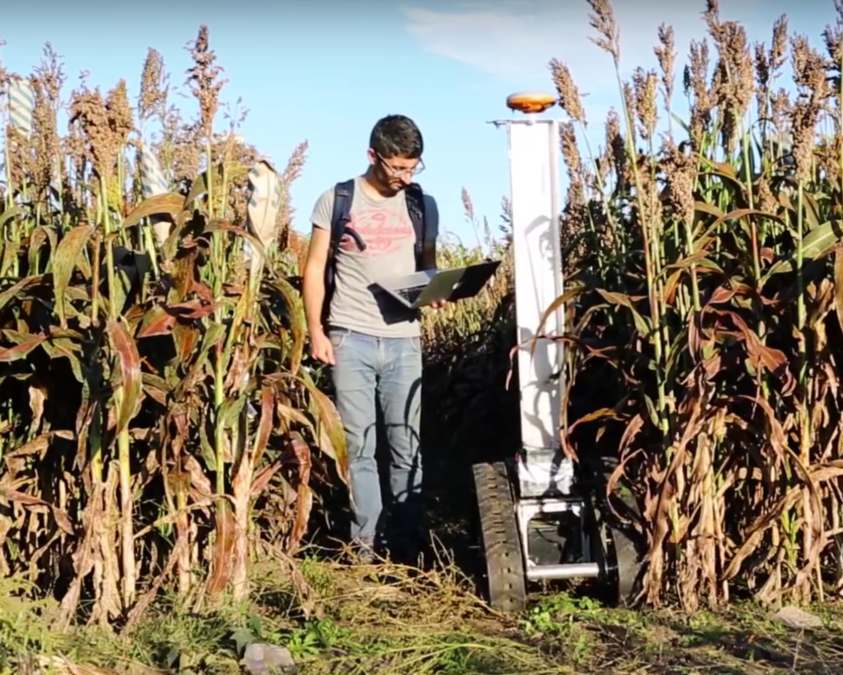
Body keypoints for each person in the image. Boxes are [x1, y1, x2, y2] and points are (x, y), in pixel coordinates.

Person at [302, 114, 441, 563]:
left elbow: (428, 268)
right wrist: (316, 332)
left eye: (412, 168)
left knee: (407, 443)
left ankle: (409, 549)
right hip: (351, 337)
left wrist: (435, 292)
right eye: (397, 167)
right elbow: (313, 270)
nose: (404, 177)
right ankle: (366, 549)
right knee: (359, 446)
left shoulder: (421, 204)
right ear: (373, 156)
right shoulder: (338, 200)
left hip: (404, 340)